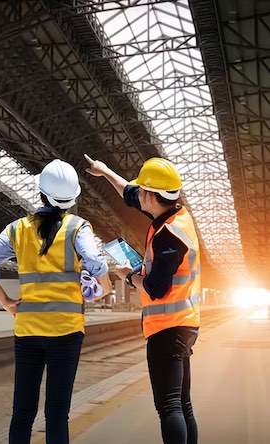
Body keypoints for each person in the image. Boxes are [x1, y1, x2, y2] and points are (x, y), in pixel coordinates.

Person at [0, 159, 112, 444]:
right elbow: (95, 261)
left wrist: (6, 302)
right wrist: (105, 286)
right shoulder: (77, 227)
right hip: (65, 332)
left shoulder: (18, 229)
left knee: (22, 412)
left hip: (27, 332)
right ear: (73, 198)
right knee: (57, 413)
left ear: (41, 193)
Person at [84, 154, 200, 444]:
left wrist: (128, 275)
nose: (138, 196)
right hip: (184, 323)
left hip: (167, 328)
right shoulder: (173, 212)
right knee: (182, 404)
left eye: (142, 192)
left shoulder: (169, 236)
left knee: (169, 406)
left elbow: (156, 287)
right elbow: (128, 192)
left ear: (151, 196)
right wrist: (105, 170)